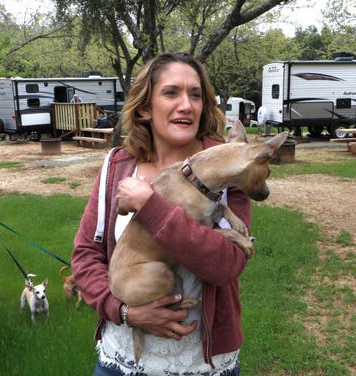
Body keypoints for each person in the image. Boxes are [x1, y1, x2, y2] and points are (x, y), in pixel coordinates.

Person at [72, 52, 251, 375]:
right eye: (171, 93)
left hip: (203, 365)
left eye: (195, 95)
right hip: (122, 362)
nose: (187, 105)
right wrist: (124, 311)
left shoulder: (226, 167)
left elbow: (229, 264)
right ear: (144, 107)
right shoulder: (117, 166)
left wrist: (151, 207)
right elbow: (86, 255)